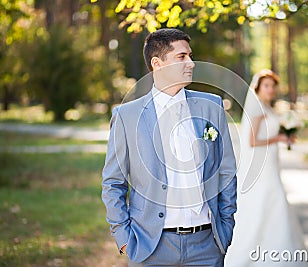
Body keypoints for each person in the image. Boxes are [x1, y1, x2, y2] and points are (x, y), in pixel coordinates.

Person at [101, 28, 237, 266]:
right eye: (182, 57)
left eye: (190, 56)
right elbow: (114, 182)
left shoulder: (211, 107)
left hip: (207, 246)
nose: (191, 63)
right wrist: (123, 238)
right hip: (149, 248)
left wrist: (225, 229)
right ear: (158, 63)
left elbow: (226, 171)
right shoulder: (127, 116)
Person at [224, 70, 308, 266]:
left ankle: (275, 248)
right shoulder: (257, 109)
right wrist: (279, 138)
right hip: (261, 166)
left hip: (272, 162)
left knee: (274, 200)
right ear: (258, 88)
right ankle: (254, 250)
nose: (270, 89)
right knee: (267, 199)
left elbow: (269, 132)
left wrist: (286, 135)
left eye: (273, 86)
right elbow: (253, 141)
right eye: (266, 86)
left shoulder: (267, 108)